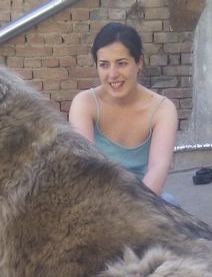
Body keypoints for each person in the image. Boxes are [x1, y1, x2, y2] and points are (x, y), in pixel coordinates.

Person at [69, 22, 179, 205]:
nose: (113, 74)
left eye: (121, 63)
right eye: (104, 65)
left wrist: (132, 214)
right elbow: (86, 168)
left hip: (146, 200)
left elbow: (158, 167)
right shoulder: (85, 104)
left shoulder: (162, 109)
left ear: (139, 63)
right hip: (96, 200)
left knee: (172, 209)